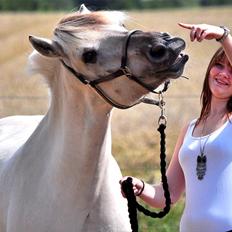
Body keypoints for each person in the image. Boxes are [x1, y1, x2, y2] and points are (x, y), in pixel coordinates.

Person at [120, 23, 232, 232]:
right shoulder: (189, 129)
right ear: (210, 69)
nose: (224, 73)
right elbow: (166, 196)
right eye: (219, 65)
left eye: (231, 69)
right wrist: (140, 187)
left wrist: (223, 36)